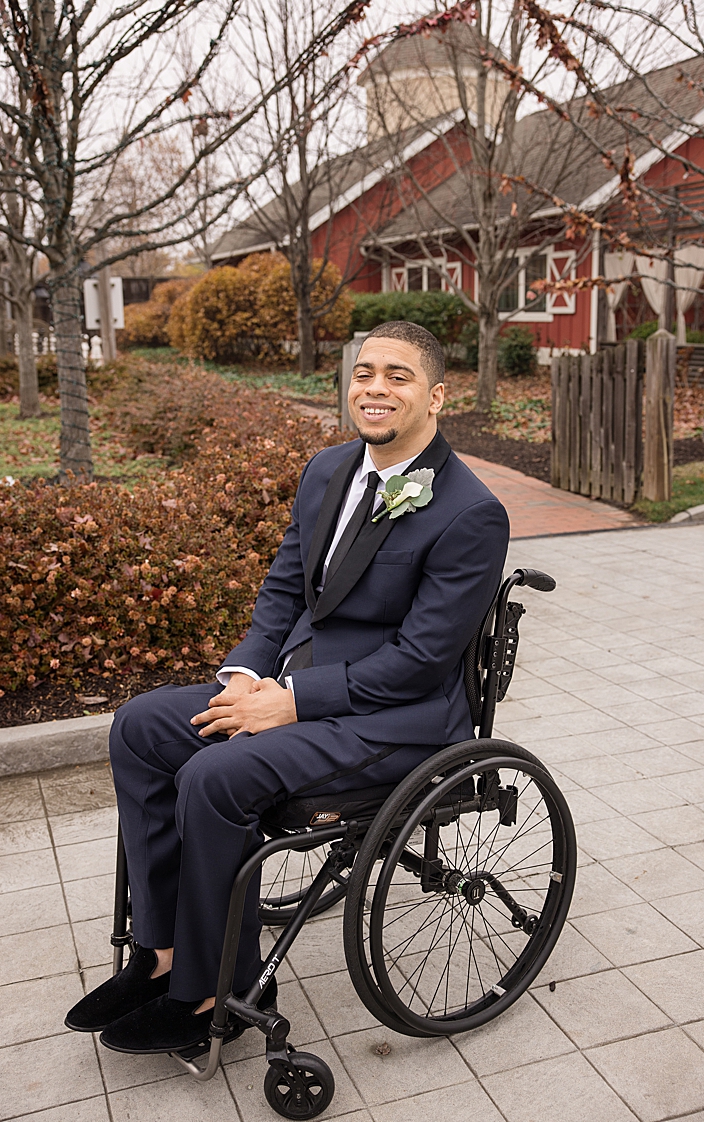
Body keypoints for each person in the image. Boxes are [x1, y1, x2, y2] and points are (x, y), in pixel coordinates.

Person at [65, 320, 511, 1055]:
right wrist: (247, 675)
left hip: (397, 722)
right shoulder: (328, 470)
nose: (374, 387)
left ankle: (218, 990)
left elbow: (422, 660)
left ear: (437, 397)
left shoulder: (470, 511)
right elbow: (282, 593)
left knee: (214, 775)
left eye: (397, 376)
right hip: (298, 689)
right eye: (364, 372)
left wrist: (290, 702)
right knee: (140, 726)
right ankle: (163, 955)